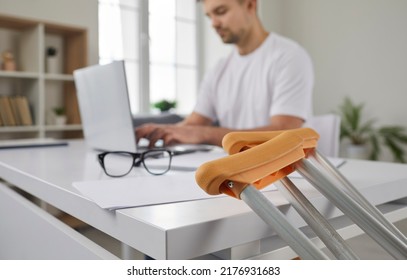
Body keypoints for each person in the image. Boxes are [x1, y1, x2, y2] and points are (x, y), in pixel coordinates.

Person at [136, 0, 314, 148]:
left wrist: (204, 134)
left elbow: (284, 132)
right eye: (209, 16)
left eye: (220, 12)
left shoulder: (289, 56)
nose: (214, 23)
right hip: (233, 169)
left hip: (281, 171)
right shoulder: (219, 69)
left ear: (250, 5)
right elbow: (193, 125)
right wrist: (158, 130)